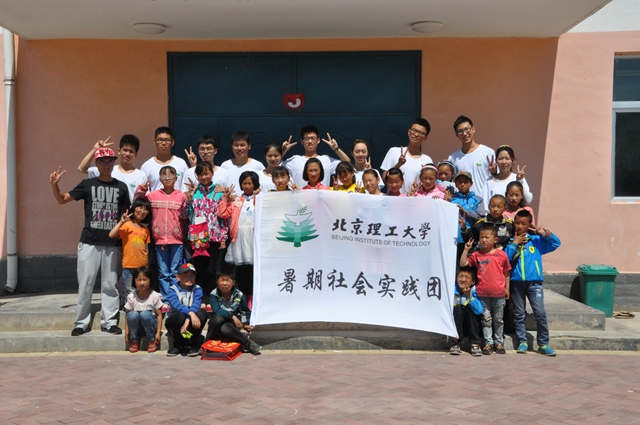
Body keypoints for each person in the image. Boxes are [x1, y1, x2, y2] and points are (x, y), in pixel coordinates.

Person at [50, 147, 131, 336]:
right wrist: (54, 185)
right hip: (89, 241)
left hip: (112, 243)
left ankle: (109, 322)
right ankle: (81, 323)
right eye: (102, 161)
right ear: (96, 163)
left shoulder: (121, 187)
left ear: (114, 163)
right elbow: (62, 199)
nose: (107, 164)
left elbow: (128, 214)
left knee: (110, 285)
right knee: (85, 283)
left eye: (110, 161)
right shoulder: (88, 184)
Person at [505, 210, 561, 356]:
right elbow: (505, 259)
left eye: (523, 223)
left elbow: (556, 243)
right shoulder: (510, 241)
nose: (519, 226)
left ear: (529, 225)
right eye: (517, 223)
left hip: (534, 284)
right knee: (519, 314)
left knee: (540, 313)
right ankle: (522, 341)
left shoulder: (536, 241)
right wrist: (515, 244)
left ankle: (543, 343)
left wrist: (545, 234)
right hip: (516, 283)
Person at [460, 224, 511, 355]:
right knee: (486, 320)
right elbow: (463, 263)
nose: (483, 240)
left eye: (487, 237)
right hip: (482, 294)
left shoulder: (501, 255)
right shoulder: (477, 255)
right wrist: (466, 250)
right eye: (481, 237)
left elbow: (506, 273)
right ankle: (488, 343)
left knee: (498, 320)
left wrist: (507, 288)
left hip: (499, 294)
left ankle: (499, 343)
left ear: (495, 239)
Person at [138, 166, 187, 301]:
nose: (167, 178)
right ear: (159, 179)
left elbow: (186, 216)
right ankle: (165, 299)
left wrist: (189, 200)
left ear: (176, 178)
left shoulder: (181, 196)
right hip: (159, 240)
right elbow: (138, 204)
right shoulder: (152, 196)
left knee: (175, 271)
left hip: (177, 239)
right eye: (164, 175)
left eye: (171, 175)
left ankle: (175, 298)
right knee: (163, 272)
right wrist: (141, 191)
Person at [184, 162, 227, 301]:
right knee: (199, 268)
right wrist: (187, 201)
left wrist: (223, 237)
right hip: (197, 237)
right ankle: (200, 297)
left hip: (214, 236)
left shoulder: (219, 192)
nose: (204, 177)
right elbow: (185, 215)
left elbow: (223, 217)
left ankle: (211, 296)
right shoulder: (194, 192)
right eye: (201, 174)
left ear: (212, 174)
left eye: (207, 173)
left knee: (212, 269)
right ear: (197, 176)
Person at [218, 171, 259, 303]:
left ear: (255, 184)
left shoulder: (259, 200)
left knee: (253, 270)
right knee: (240, 270)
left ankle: (252, 298)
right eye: (244, 183)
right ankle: (241, 298)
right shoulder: (236, 201)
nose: (247, 186)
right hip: (239, 238)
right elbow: (222, 213)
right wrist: (225, 198)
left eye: (250, 183)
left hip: (253, 237)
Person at [205, 265, 262, 355]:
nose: (224, 283)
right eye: (222, 280)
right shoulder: (214, 294)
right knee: (217, 319)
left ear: (233, 282)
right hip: (216, 324)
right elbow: (216, 310)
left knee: (226, 328)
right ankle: (206, 343)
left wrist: (245, 324)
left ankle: (248, 344)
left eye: (227, 280)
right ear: (217, 282)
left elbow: (244, 311)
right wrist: (232, 316)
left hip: (230, 325)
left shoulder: (239, 294)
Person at [77, 134, 148, 202]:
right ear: (119, 151)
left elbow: (145, 199)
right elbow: (82, 168)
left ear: (136, 154)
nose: (127, 154)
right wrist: (95, 149)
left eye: (131, 151)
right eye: (125, 150)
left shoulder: (141, 175)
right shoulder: (107, 170)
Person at [447, 116, 495, 209]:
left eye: (467, 129)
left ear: (473, 129)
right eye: (460, 131)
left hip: (484, 206)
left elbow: (496, 179)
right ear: (456, 134)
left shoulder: (488, 153)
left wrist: (494, 172)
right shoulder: (453, 158)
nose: (464, 133)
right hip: (462, 208)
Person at [281, 125, 350, 188]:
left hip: (323, 197)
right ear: (302, 141)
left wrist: (336, 149)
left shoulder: (326, 160)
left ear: (318, 140)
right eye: (307, 139)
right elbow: (276, 166)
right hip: (301, 197)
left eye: (313, 138)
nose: (310, 141)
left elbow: (348, 164)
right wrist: (283, 151)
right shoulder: (294, 160)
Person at [108, 197, 152, 296]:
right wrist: (121, 222)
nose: (142, 211)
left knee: (141, 290)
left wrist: (147, 264)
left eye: (145, 209)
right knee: (129, 291)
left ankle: (140, 305)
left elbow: (146, 248)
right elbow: (111, 235)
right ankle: (130, 306)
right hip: (128, 265)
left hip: (142, 266)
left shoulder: (145, 230)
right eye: (140, 207)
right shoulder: (127, 225)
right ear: (134, 208)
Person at [164, 263, 208, 357]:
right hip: (175, 321)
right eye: (185, 275)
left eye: (192, 275)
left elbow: (196, 304)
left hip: (189, 320)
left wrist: (188, 319)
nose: (189, 278)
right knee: (180, 316)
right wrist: (190, 314)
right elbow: (176, 305)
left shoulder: (197, 289)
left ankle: (191, 344)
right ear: (178, 277)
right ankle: (178, 344)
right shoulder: (172, 289)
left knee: (202, 313)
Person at [380, 118, 433, 194]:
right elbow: (384, 179)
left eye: (421, 133)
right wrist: (398, 164)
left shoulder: (427, 160)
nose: (416, 134)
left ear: (425, 138)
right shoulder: (393, 151)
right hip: (394, 199)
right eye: (414, 130)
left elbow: (429, 184)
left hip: (415, 199)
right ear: (409, 132)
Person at [123, 267, 163, 353]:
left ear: (150, 280)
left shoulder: (155, 296)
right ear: (134, 281)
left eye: (145, 280)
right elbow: (128, 317)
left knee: (144, 314)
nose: (142, 283)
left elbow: (159, 315)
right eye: (139, 280)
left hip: (151, 326)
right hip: (138, 328)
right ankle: (134, 340)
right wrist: (127, 333)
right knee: (133, 314)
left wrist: (158, 333)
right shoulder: (131, 297)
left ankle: (151, 340)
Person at [450, 171, 486, 262]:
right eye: (459, 182)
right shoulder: (451, 199)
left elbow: (481, 218)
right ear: (456, 184)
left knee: (469, 264)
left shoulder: (478, 200)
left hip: (471, 238)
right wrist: (446, 202)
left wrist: (466, 213)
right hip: (455, 238)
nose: (462, 184)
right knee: (455, 264)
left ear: (471, 184)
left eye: (465, 182)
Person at [141, 127, 189, 192]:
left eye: (167, 140)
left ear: (172, 142)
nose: (163, 143)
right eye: (160, 140)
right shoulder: (147, 166)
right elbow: (144, 191)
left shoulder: (181, 164)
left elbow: (186, 187)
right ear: (154, 142)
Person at [449, 267, 484, 357]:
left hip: (472, 325)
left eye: (467, 277)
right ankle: (455, 343)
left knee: (471, 308)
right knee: (458, 308)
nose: (463, 280)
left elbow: (479, 311)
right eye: (460, 276)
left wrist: (469, 296)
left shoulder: (475, 291)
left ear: (473, 282)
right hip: (457, 325)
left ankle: (475, 343)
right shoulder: (450, 291)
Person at [220, 131, 265, 196]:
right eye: (236, 145)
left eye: (242, 145)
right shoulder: (225, 165)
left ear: (249, 146)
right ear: (232, 146)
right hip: (231, 201)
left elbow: (263, 187)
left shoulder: (258, 165)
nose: (239, 148)